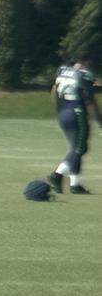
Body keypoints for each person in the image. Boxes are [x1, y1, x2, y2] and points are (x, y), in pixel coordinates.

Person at [47, 59, 97, 194]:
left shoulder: (62, 70)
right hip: (76, 112)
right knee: (80, 148)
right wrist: (99, 119)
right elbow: (89, 101)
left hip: (63, 111)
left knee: (75, 148)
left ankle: (75, 184)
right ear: (85, 61)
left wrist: (59, 110)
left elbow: (54, 91)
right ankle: (57, 175)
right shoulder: (83, 74)